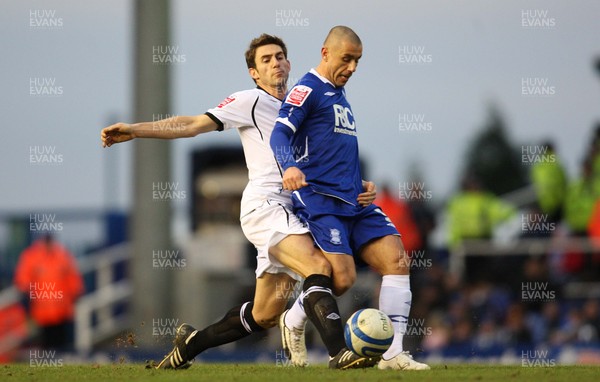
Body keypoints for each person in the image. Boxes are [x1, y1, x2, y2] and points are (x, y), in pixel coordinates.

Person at [101, 33, 378, 369]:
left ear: (289, 63)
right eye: (266, 59)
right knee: (319, 268)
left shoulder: (303, 102)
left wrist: (354, 184)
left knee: (262, 315)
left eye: (280, 56)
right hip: (265, 208)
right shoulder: (249, 101)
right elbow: (191, 125)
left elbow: (323, 158)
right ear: (254, 73)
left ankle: (189, 345)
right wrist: (136, 129)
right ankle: (339, 354)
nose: (275, 62)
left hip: (298, 210)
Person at [270, 25, 430, 370]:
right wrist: (288, 167)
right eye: (347, 58)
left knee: (397, 261)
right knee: (342, 279)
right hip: (321, 200)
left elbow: (336, 151)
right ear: (326, 53)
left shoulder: (340, 95)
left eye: (358, 61)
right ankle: (294, 318)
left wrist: (361, 182)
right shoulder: (306, 89)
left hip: (354, 201)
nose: (353, 67)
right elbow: (279, 133)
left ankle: (393, 355)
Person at [13, 233, 84, 351]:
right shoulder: (31, 257)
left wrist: (76, 293)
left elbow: (74, 279)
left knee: (62, 345)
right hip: (41, 313)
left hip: (62, 311)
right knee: (44, 346)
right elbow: (22, 281)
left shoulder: (63, 256)